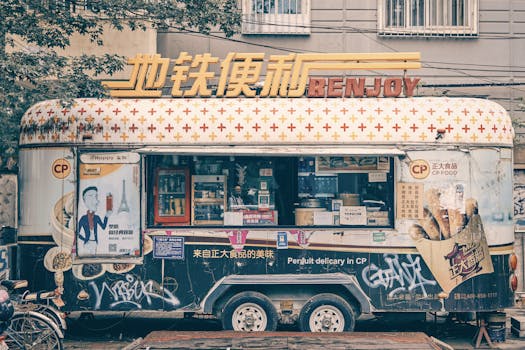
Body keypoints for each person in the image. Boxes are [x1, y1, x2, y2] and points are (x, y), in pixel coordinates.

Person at [77, 186, 112, 255]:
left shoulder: (97, 217)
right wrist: (85, 239)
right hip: (87, 243)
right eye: (90, 196)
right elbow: (77, 232)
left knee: (93, 258)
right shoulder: (83, 218)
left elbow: (103, 227)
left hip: (95, 243)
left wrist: (106, 216)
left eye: (96, 196)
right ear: (84, 201)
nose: (95, 200)